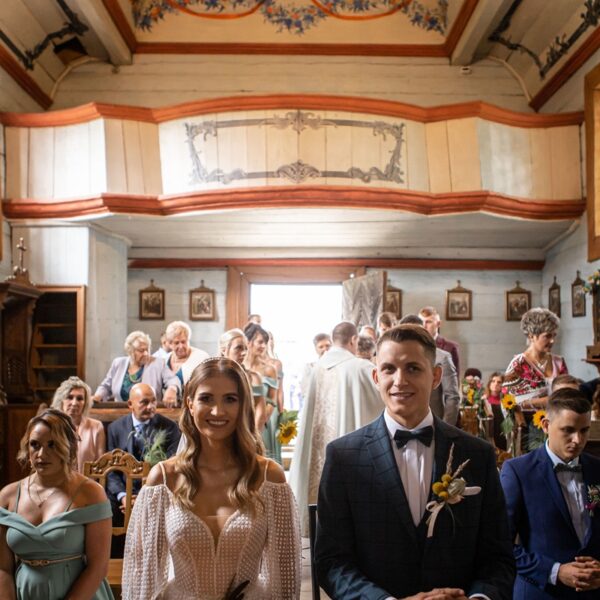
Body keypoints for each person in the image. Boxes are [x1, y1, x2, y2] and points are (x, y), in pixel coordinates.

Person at [315, 324, 515, 599]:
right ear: (376, 377)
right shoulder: (344, 457)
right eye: (389, 369)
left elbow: (498, 556)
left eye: (413, 368)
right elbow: (332, 562)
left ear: (436, 377)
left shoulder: (477, 454)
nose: (400, 381)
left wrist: (478, 598)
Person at [122, 357, 301, 599]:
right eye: (206, 399)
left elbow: (286, 578)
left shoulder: (269, 478)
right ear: (190, 404)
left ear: (243, 405)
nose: (217, 411)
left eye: (230, 399)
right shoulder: (164, 479)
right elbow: (142, 578)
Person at [0, 409, 113, 600]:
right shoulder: (8, 496)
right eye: (35, 445)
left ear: (69, 447)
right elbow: (3, 568)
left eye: (52, 445)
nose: (41, 454)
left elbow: (98, 567)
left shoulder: (91, 494)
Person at [500, 388, 600, 599]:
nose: (577, 440)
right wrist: (555, 571)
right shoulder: (518, 472)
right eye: (568, 430)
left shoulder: (597, 469)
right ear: (546, 425)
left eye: (584, 431)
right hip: (542, 592)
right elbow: (500, 544)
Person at [289, 321, 383, 534]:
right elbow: (385, 400)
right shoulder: (360, 367)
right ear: (354, 340)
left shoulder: (317, 368)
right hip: (347, 448)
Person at [503, 308, 568, 415]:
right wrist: (545, 401)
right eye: (547, 336)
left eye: (554, 335)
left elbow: (567, 396)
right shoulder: (518, 364)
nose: (552, 341)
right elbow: (507, 403)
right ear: (531, 336)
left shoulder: (559, 362)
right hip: (528, 422)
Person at [92, 330, 180, 406]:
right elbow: (106, 386)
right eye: (141, 350)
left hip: (149, 412)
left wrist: (172, 389)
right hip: (120, 412)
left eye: (147, 349)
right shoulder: (118, 363)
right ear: (130, 351)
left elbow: (173, 380)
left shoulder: (158, 364)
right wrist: (98, 396)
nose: (146, 353)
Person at [401, 314, 460, 425]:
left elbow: (452, 397)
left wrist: (445, 428)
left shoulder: (442, 358)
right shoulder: (397, 358)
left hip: (433, 423)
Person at [244, 323, 281, 463]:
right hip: (243, 418)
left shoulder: (269, 369)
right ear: (248, 342)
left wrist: (262, 419)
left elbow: (273, 399)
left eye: (265, 342)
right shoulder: (240, 367)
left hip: (265, 421)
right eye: (260, 342)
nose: (263, 346)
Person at [51, 376, 106, 473]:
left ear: (85, 403)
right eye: (69, 397)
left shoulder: (96, 427)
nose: (74, 403)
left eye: (79, 399)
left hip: (87, 481)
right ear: (61, 400)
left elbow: (101, 467)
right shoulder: (51, 426)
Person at [219, 328, 268, 432]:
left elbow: (261, 414)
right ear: (224, 350)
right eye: (239, 348)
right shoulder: (212, 377)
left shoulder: (254, 378)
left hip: (247, 433)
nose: (244, 353)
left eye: (246, 348)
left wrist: (251, 437)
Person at [164, 320, 209, 392]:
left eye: (183, 342)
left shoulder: (202, 357)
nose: (181, 346)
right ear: (170, 344)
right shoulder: (164, 359)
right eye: (176, 343)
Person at [419, 305, 461, 377]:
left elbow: (454, 379)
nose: (424, 326)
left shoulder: (450, 347)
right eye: (421, 322)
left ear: (438, 324)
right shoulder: (412, 345)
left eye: (428, 322)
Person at [483, 371, 506, 450]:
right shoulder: (483, 400)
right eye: (493, 381)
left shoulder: (506, 401)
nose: (496, 384)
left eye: (499, 382)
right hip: (487, 436)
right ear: (489, 383)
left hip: (502, 436)